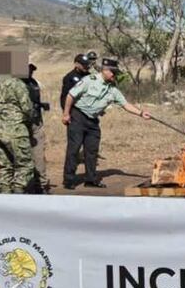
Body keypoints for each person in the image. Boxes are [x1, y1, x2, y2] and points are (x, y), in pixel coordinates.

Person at [62, 58, 151, 189]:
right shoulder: (89, 80)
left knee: (92, 150)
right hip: (78, 116)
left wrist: (141, 113)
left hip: (93, 121)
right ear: (105, 70)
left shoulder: (113, 89)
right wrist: (66, 114)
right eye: (113, 72)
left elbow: (125, 104)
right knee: (74, 149)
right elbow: (71, 95)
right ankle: (69, 180)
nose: (115, 75)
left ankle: (91, 180)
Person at [0, 72, 34, 194]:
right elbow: (27, 107)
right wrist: (29, 120)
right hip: (15, 130)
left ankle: (5, 192)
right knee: (25, 164)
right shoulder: (17, 83)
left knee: (5, 166)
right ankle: (19, 191)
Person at [22, 63, 51, 193]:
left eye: (31, 70)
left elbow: (33, 101)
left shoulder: (33, 82)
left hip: (36, 122)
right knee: (22, 156)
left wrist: (41, 105)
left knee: (38, 154)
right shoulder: (16, 84)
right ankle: (24, 185)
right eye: (28, 70)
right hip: (21, 124)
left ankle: (41, 184)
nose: (30, 72)